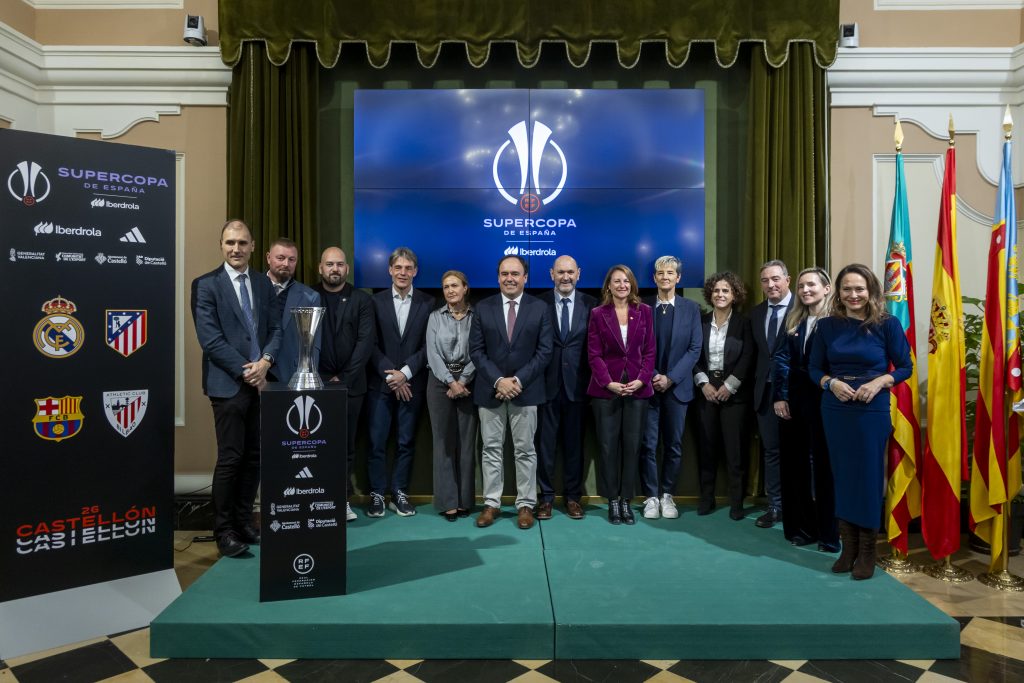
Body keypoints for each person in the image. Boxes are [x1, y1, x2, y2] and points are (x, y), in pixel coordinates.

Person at [809, 263, 911, 580]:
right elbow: (813, 369)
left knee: (867, 477)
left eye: (859, 289)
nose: (853, 295)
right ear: (838, 293)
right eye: (847, 289)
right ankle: (848, 548)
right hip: (836, 407)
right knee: (841, 476)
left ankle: (868, 552)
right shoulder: (826, 327)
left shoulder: (887, 324)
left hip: (871, 408)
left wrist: (879, 382)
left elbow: (905, 367)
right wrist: (830, 383)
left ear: (871, 291)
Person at [190, 219, 281, 558]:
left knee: (255, 458)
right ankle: (224, 531)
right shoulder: (205, 285)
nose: (236, 248)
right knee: (231, 458)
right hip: (228, 385)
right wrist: (250, 372)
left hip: (261, 384)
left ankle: (244, 523)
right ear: (221, 245)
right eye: (230, 242)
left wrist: (267, 361)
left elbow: (276, 330)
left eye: (242, 243)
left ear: (253, 246)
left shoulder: (262, 284)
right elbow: (210, 340)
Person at [469, 254, 553, 530]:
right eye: (505, 273)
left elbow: (544, 351)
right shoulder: (483, 308)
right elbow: (477, 351)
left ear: (525, 277)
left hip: (526, 391)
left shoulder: (539, 308)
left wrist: (517, 380)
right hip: (491, 392)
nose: (510, 278)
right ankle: (491, 503)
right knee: (491, 449)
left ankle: (526, 505)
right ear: (498, 277)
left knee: (525, 450)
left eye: (515, 273)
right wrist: (498, 381)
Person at [772, 267, 839, 551]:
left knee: (826, 467)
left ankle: (829, 534)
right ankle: (801, 528)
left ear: (826, 288)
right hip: (794, 401)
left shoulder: (838, 322)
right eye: (801, 286)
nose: (805, 290)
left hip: (827, 400)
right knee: (794, 464)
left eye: (811, 285)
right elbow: (781, 360)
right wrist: (780, 397)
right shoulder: (794, 321)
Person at [366, 247, 434, 517]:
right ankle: (376, 494)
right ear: (390, 270)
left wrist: (405, 373)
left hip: (412, 385)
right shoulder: (374, 301)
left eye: (408, 268)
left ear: (415, 271)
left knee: (406, 442)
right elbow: (369, 344)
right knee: (376, 443)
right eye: (398, 268)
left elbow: (430, 345)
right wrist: (392, 375)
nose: (403, 273)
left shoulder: (428, 303)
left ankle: (399, 493)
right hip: (380, 385)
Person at [586, 265, 655, 525]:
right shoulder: (597, 314)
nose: (622, 285)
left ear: (632, 285)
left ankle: (627, 500)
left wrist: (641, 380)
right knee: (607, 447)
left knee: (632, 446)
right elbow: (593, 354)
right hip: (606, 391)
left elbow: (650, 351)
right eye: (616, 281)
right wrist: (609, 383)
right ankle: (612, 501)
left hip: (637, 389)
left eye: (626, 281)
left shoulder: (645, 312)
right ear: (608, 286)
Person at [314, 246, 375, 523]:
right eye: (329, 264)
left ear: (346, 269)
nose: (334, 269)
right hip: (316, 384)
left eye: (339, 264)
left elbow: (365, 343)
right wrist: (323, 379)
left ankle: (342, 499)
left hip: (352, 386)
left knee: (346, 447)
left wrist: (344, 378)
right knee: (316, 446)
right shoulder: (308, 296)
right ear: (321, 268)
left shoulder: (361, 300)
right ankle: (317, 497)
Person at [639, 255, 702, 520]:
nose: (665, 277)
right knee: (649, 444)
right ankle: (651, 497)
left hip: (678, 389)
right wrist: (654, 376)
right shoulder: (642, 308)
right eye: (660, 273)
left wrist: (671, 378)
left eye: (670, 273)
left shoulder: (691, 308)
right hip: (649, 387)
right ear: (654, 278)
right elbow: (638, 347)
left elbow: (694, 348)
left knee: (674, 445)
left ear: (679, 278)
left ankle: (667, 495)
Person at [535, 255, 596, 520]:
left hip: (579, 389)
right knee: (544, 447)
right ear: (551, 274)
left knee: (575, 447)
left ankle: (573, 498)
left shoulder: (592, 305)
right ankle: (546, 498)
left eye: (570, 272)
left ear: (579, 273)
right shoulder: (538, 304)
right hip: (545, 387)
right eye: (560, 272)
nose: (566, 277)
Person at [693, 272, 754, 520]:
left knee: (735, 450)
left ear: (735, 295)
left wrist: (730, 386)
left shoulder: (745, 323)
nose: (720, 294)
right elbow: (693, 355)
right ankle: (707, 498)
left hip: (735, 394)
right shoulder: (700, 321)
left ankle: (737, 502)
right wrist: (703, 383)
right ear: (710, 294)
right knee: (706, 448)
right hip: (705, 391)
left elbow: (749, 355)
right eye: (717, 290)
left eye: (726, 291)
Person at [425, 271, 478, 521]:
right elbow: (433, 353)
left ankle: (465, 500)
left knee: (467, 445)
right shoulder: (435, 317)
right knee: (443, 443)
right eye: (445, 286)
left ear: (465, 288)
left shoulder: (476, 317)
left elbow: (479, 350)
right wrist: (450, 381)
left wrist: (463, 380)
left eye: (455, 285)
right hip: (438, 384)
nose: (450, 290)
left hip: (470, 383)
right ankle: (448, 502)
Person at [750, 259, 794, 528]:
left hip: (795, 395)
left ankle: (802, 506)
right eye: (765, 280)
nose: (771, 284)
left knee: (802, 454)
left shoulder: (804, 310)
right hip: (764, 394)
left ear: (787, 280)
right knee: (772, 452)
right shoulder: (756, 313)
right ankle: (775, 506)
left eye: (776, 279)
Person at [265, 237, 321, 385]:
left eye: (292, 259)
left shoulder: (310, 297)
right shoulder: (251, 288)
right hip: (253, 374)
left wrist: (308, 377)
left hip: (291, 375)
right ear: (268, 258)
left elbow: (314, 344)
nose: (286, 264)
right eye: (280, 258)